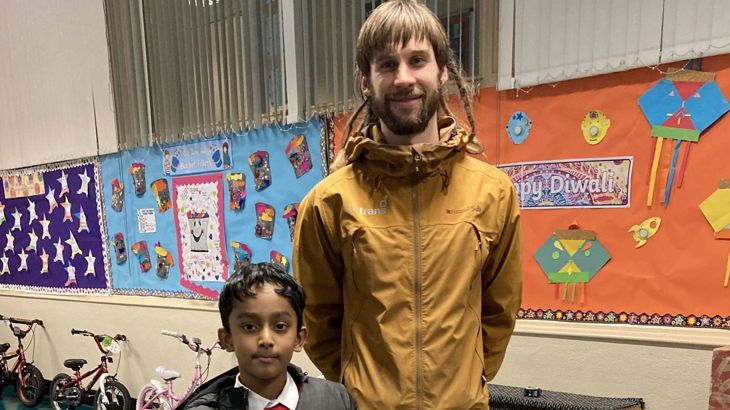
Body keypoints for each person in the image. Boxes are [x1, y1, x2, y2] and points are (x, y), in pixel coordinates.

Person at [292, 1, 522, 409]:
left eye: (417, 60)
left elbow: (499, 312)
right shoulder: (329, 202)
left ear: (442, 70)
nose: (403, 79)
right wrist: (357, 387)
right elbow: (318, 319)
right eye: (386, 65)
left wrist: (466, 383)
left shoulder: (493, 193)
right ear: (365, 80)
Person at [181, 263, 357, 410]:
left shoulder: (336, 400)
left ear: (299, 338)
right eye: (249, 327)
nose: (266, 339)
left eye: (280, 327)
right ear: (227, 339)